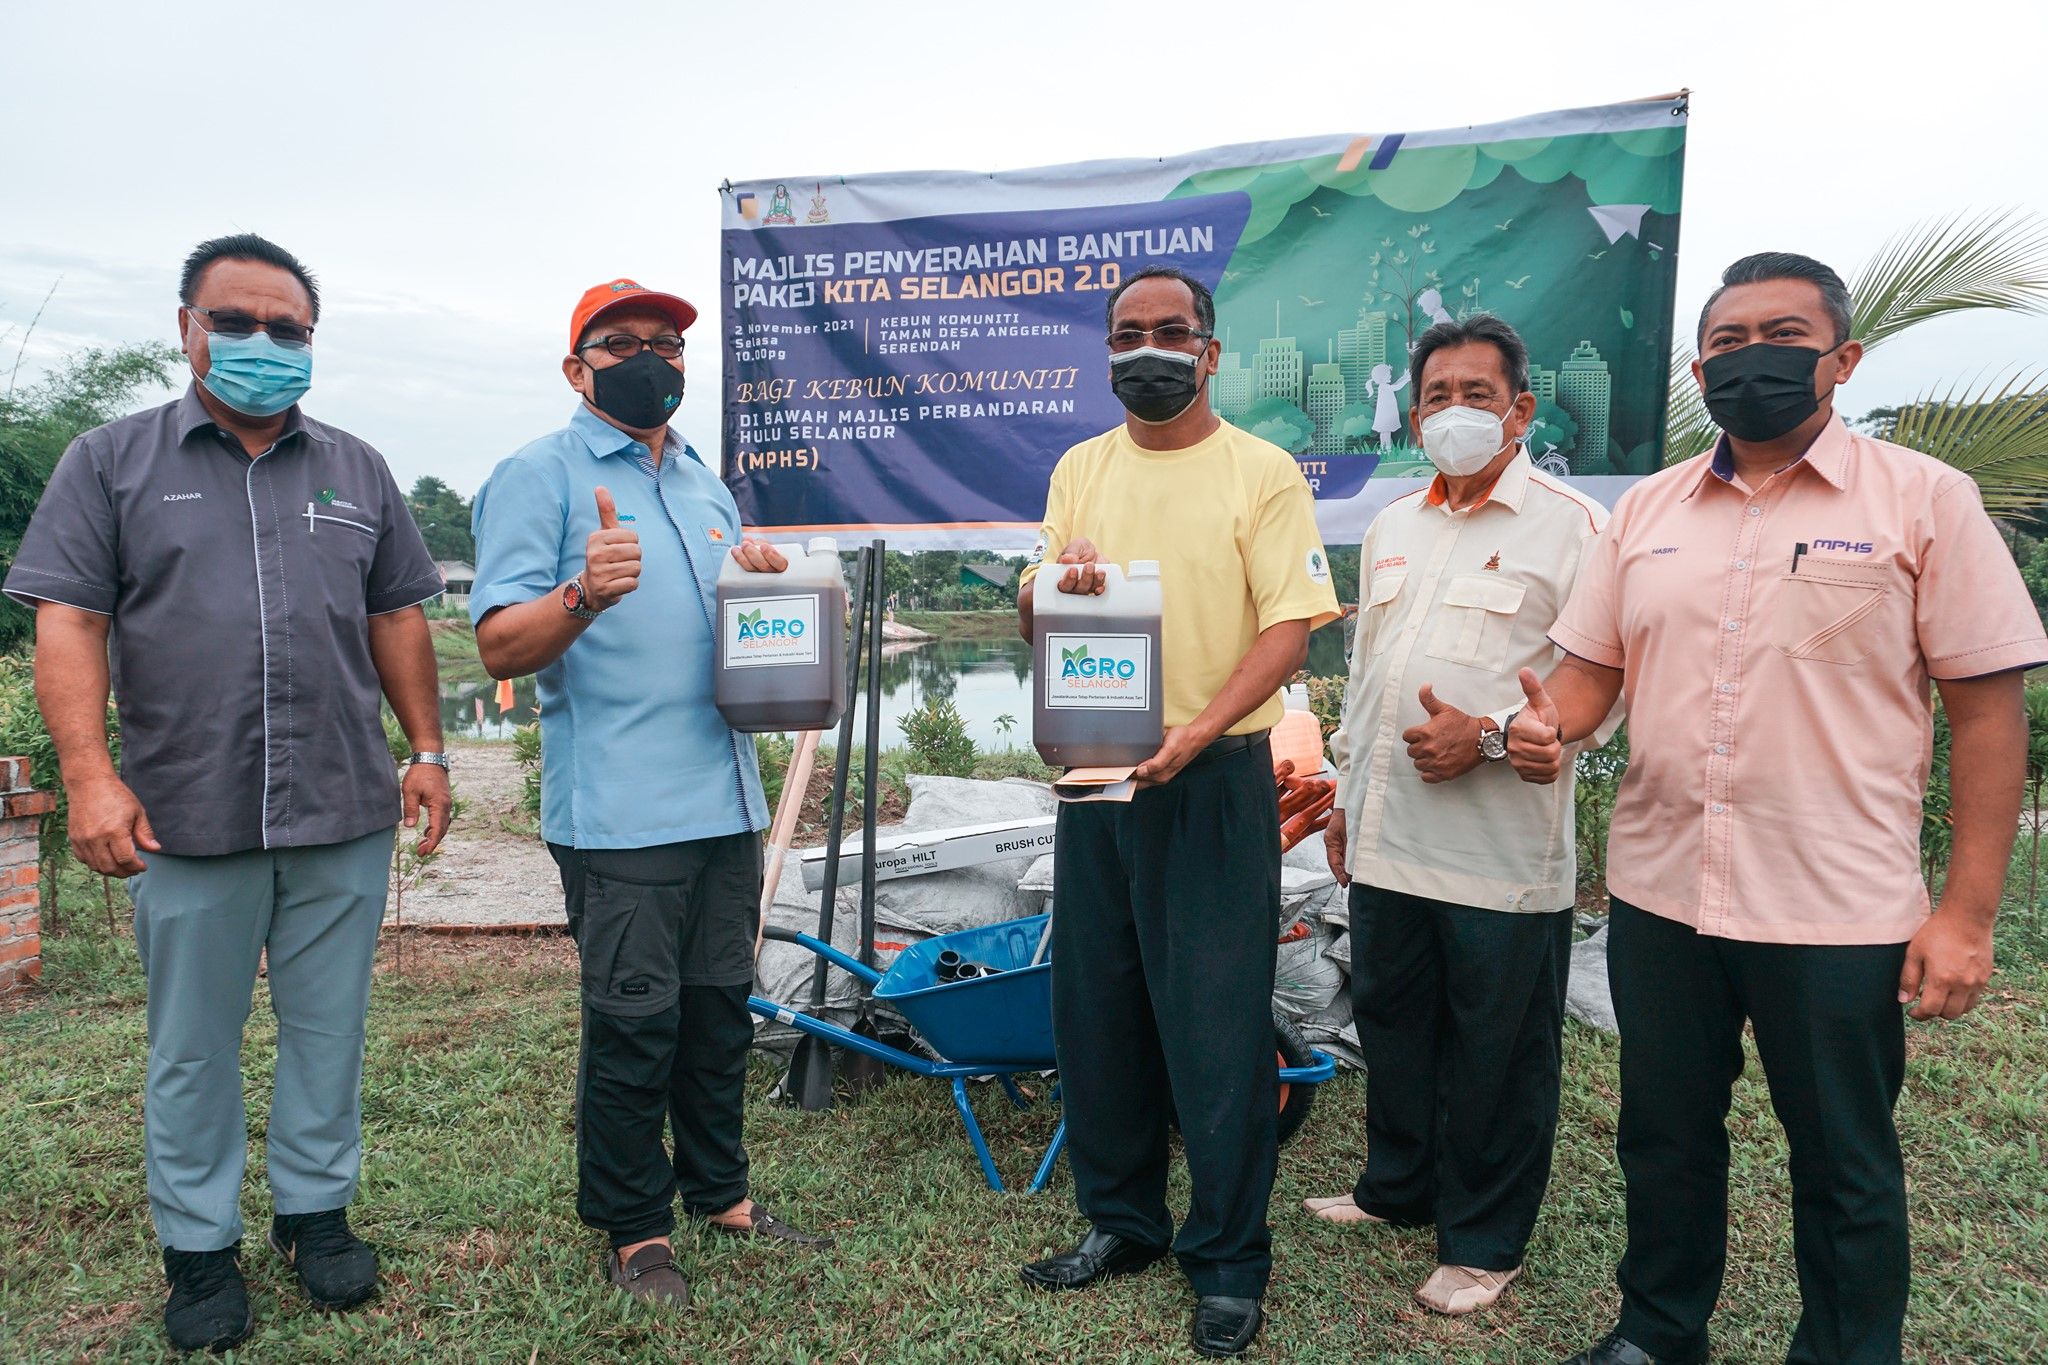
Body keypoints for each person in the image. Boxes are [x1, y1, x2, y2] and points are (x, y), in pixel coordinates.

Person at [1508, 253, 2047, 1365]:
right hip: (1660, 893)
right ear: (1700, 365)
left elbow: (1986, 717)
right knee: (1661, 1138)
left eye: (1781, 334)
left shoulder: (1920, 500)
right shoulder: (1647, 510)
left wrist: (1964, 916)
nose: (1751, 357)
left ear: (1838, 358)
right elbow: (1587, 675)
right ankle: (1657, 1333)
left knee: (1841, 1156)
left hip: (1835, 908)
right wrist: (1541, 726)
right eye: (1726, 340)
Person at [4, 233, 452, 1353]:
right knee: (192, 1044)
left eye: (288, 329)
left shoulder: (356, 469)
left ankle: (314, 1216)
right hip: (185, 811)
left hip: (343, 804)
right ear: (187, 329)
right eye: (238, 322)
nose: (263, 344)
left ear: (312, 341)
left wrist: (430, 748)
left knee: (327, 1030)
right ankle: (199, 1250)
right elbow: (71, 619)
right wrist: (90, 777)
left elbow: (398, 613)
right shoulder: (109, 462)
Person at [469, 278, 830, 1311]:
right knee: (634, 1023)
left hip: (725, 800)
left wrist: (760, 578)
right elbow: (496, 641)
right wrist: (583, 592)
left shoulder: (706, 486)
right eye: (621, 341)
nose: (650, 356)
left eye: (667, 343)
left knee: (718, 1014)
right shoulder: (537, 476)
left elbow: (725, 638)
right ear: (575, 367)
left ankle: (720, 1193)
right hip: (622, 812)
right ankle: (632, 1228)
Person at [1014, 265, 1340, 1358]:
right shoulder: (1078, 468)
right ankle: (1122, 1223)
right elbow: (1033, 607)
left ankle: (1228, 1260)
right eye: (1123, 334)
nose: (1143, 349)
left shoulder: (1261, 474)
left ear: (1207, 350)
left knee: (1213, 1026)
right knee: (1096, 1012)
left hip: (1208, 780)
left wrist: (1194, 735)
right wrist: (1046, 588)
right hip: (1096, 775)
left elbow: (1289, 631)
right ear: (1104, 352)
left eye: (1167, 331)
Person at [1307, 317, 1614, 1316]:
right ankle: (1396, 1186)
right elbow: (1364, 679)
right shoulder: (1392, 527)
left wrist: (1484, 737)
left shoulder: (1572, 527)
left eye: (1475, 395)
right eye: (1434, 395)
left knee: (1497, 1050)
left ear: (1519, 410)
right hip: (1388, 838)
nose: (1453, 412)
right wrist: (1347, 799)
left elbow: (1595, 688)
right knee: (1394, 1021)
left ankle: (1482, 1240)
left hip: (1497, 852)